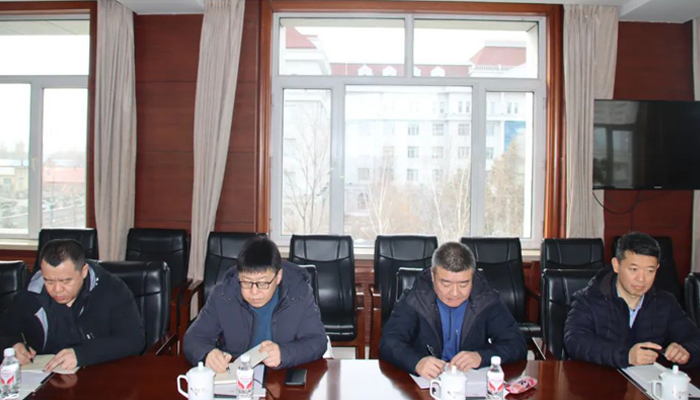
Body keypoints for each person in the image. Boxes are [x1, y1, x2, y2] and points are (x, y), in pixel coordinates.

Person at [379, 242, 527, 380]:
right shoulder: (415, 298)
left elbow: (516, 344)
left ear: (472, 276)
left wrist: (481, 357)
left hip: (470, 382)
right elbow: (389, 342)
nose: (455, 293)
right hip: (425, 383)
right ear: (433, 275)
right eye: (446, 283)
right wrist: (416, 362)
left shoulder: (486, 298)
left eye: (463, 284)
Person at [183, 236, 327, 373]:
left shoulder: (299, 294)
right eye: (246, 282)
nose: (254, 292)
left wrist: (284, 354)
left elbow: (318, 341)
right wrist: (207, 354)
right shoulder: (223, 295)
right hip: (236, 377)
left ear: (278, 277)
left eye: (263, 283)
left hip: (281, 376)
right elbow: (193, 337)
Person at [0, 239, 145, 371]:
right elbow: (5, 331)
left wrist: (82, 354)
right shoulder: (32, 293)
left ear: (83, 272)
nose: (57, 290)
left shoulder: (112, 289)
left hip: (97, 373)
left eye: (66, 281)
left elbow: (134, 340)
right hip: (44, 377)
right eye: (49, 281)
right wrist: (13, 345)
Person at [564, 232, 700, 368]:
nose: (641, 279)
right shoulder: (588, 299)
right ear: (616, 265)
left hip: (649, 379)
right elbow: (574, 341)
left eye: (650, 271)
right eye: (634, 269)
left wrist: (687, 352)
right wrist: (626, 356)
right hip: (601, 377)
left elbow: (694, 339)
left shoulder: (665, 303)